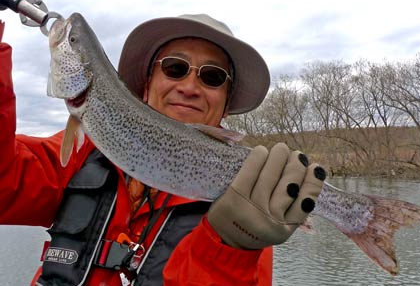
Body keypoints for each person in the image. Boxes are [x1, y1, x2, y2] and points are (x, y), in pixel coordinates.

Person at [0, 14, 326, 285]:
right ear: (146, 84)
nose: (189, 87)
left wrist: (231, 248)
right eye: (174, 67)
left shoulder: (247, 209)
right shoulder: (82, 150)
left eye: (212, 77)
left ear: (226, 106)